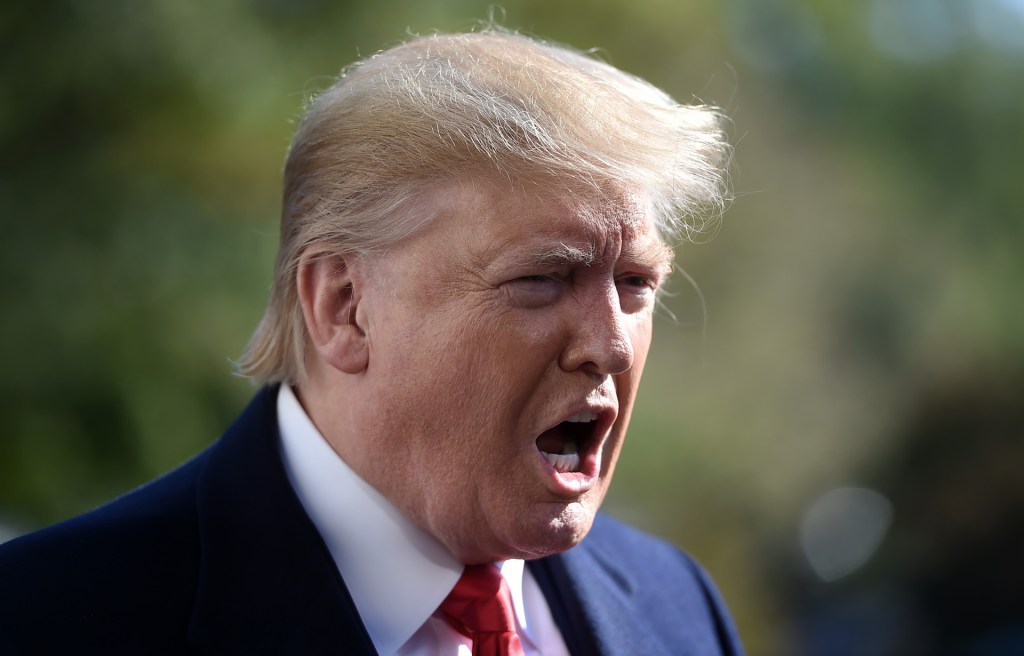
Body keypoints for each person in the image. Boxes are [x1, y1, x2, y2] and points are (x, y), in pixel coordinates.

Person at [0, 30, 741, 655]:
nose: (610, 345)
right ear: (344, 307)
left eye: (636, 283)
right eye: (544, 278)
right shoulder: (51, 618)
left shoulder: (678, 610)